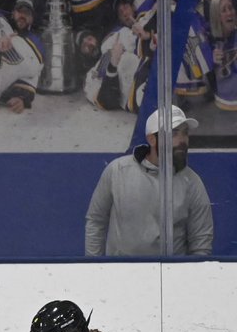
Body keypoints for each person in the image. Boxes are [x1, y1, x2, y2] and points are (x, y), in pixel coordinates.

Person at [84, 105, 214, 256]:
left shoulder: (192, 182)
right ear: (152, 139)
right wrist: (95, 266)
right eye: (174, 134)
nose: (182, 140)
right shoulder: (117, 171)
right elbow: (96, 221)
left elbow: (201, 243)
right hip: (120, 275)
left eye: (185, 133)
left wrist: (187, 277)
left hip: (171, 276)